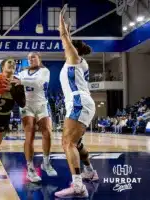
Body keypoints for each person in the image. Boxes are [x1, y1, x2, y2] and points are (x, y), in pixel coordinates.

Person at [54, 4, 98, 198]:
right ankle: (90, 171)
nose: (65, 49)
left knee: (67, 143)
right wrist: (67, 33)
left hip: (79, 102)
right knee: (77, 144)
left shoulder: (74, 58)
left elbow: (64, 40)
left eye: (70, 46)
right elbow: (67, 41)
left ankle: (78, 185)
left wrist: (62, 25)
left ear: (74, 49)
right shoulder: (77, 61)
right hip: (81, 102)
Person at [10, 52, 57, 182]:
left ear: (39, 59)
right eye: (29, 58)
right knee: (29, 134)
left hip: (42, 104)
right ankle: (30, 169)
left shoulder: (44, 71)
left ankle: (46, 162)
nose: (31, 59)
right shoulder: (22, 73)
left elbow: (38, 82)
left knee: (47, 132)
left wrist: (21, 81)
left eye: (33, 57)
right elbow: (14, 84)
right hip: (26, 105)